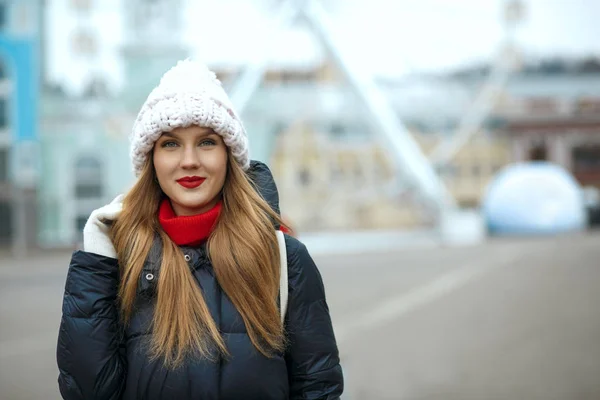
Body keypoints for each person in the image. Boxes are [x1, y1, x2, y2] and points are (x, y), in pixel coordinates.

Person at [56, 60, 343, 400]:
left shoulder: (283, 259)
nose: (189, 160)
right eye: (170, 144)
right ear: (151, 160)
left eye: (206, 142)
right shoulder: (119, 262)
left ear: (228, 156)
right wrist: (96, 259)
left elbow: (318, 389)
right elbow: (89, 392)